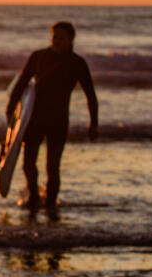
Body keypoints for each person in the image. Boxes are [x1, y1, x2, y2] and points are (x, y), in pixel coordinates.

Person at [6, 20, 98, 209]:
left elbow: (90, 94)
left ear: (71, 40)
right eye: (54, 37)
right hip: (34, 119)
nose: (56, 41)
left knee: (53, 167)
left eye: (61, 38)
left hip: (58, 121)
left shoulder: (77, 63)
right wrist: (10, 109)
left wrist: (93, 122)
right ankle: (33, 196)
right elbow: (22, 83)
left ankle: (50, 203)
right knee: (28, 163)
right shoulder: (38, 57)